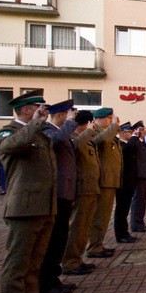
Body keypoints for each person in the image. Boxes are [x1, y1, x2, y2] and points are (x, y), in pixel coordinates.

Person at [0, 89, 60, 293]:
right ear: (25, 109)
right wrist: (34, 124)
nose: (42, 111)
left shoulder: (38, 134)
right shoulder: (9, 132)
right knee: (17, 263)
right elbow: (13, 146)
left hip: (44, 206)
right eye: (37, 107)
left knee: (35, 261)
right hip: (23, 208)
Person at [38, 100, 85, 293]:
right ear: (59, 115)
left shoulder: (60, 131)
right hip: (57, 192)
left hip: (66, 191)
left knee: (60, 236)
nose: (70, 118)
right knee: (54, 238)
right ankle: (46, 281)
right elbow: (54, 141)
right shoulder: (47, 130)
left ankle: (53, 278)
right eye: (67, 114)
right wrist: (70, 124)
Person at [62, 110, 101, 276]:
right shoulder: (73, 138)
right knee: (77, 226)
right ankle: (70, 262)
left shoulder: (86, 138)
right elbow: (75, 147)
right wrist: (88, 131)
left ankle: (77, 259)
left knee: (84, 227)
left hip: (90, 188)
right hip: (80, 189)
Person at [87, 108, 122, 258]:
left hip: (110, 180)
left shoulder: (106, 132)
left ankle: (98, 244)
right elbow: (100, 141)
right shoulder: (94, 131)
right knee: (99, 216)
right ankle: (94, 247)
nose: (110, 121)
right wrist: (114, 127)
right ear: (99, 119)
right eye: (108, 118)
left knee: (104, 215)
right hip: (103, 180)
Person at [113, 123, 139, 244]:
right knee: (121, 208)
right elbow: (127, 151)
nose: (131, 134)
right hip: (123, 182)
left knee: (125, 208)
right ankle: (121, 234)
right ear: (123, 133)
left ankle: (124, 232)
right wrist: (134, 138)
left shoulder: (126, 144)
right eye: (129, 132)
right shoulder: (120, 145)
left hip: (129, 181)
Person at [129, 122, 146, 233]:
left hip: (144, 174)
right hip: (139, 175)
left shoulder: (143, 143)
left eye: (143, 129)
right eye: (141, 129)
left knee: (142, 200)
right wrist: (135, 136)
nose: (144, 131)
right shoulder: (135, 142)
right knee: (138, 200)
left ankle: (140, 222)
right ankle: (136, 224)